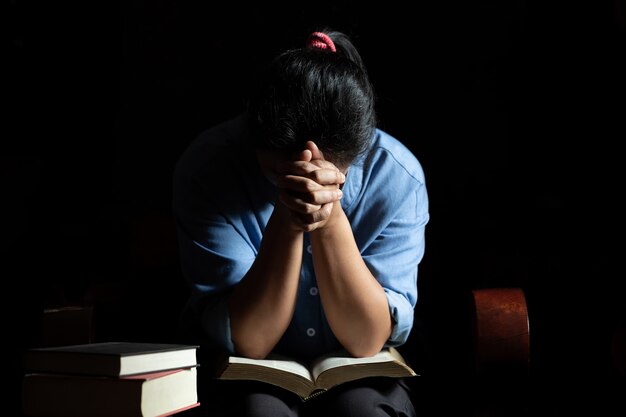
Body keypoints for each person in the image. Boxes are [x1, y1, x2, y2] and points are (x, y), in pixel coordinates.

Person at [172, 28, 429, 417]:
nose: (308, 178)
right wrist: (288, 220)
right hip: (244, 372)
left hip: (363, 373)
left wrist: (330, 216)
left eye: (334, 174)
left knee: (363, 410)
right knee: (258, 410)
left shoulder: (396, 175)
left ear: (357, 151)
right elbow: (251, 341)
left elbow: (366, 341)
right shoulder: (209, 167)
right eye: (279, 173)